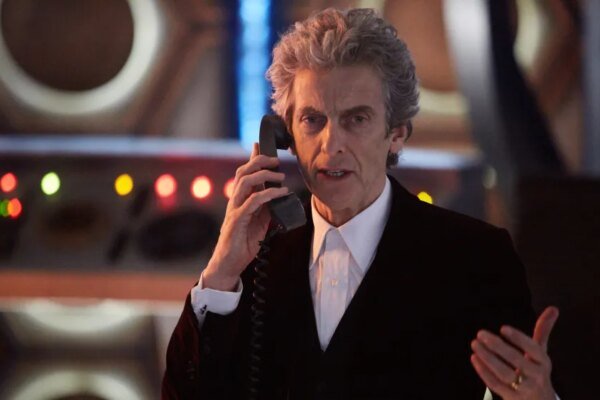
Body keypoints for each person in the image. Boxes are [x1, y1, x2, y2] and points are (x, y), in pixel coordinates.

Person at [162, 8, 559, 400]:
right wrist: (220, 273)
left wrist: (540, 398)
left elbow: (522, 386)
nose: (332, 144)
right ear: (284, 136)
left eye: (356, 119)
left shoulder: (477, 257)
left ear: (396, 134)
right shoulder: (253, 262)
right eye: (313, 120)